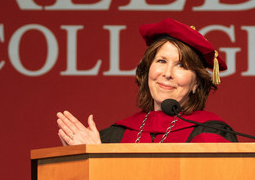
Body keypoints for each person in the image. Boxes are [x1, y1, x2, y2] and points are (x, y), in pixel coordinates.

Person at [56, 18, 238, 144]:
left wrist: (101, 161)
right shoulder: (114, 136)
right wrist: (84, 159)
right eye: (161, 61)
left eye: (181, 65)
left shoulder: (211, 134)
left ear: (196, 82)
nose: (167, 73)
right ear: (148, 69)